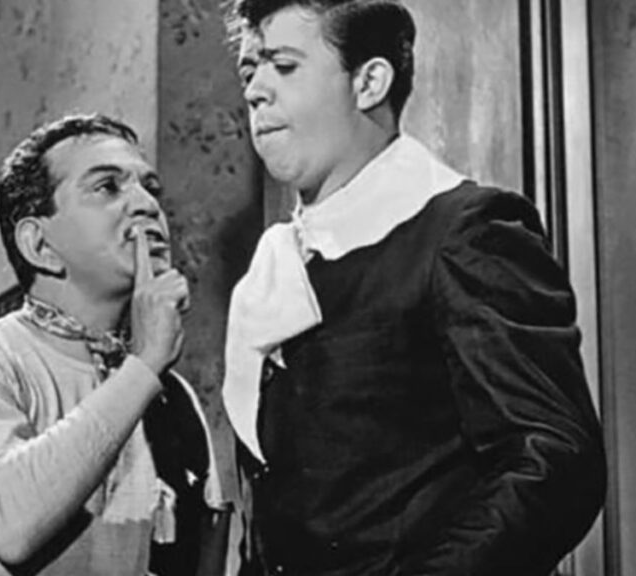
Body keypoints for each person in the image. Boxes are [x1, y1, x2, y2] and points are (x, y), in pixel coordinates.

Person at [220, 1, 607, 575]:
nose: (256, 91)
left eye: (284, 66)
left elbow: (555, 459)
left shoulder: (466, 231)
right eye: (251, 70)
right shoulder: (274, 266)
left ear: (369, 82)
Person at [0, 113, 229, 576]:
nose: (147, 205)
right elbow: (8, 522)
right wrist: (143, 366)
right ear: (39, 245)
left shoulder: (174, 398)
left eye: (150, 188)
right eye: (107, 187)